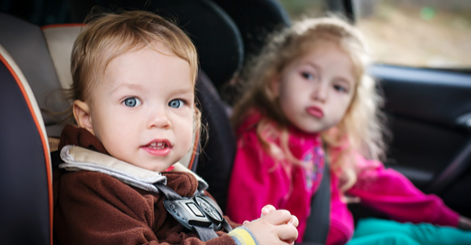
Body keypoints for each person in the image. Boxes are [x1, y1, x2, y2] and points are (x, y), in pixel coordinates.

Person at [53, 10, 299, 245]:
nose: (161, 119)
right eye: (131, 101)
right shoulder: (91, 189)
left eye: (175, 102)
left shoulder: (182, 181)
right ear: (87, 119)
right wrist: (242, 241)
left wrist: (257, 231)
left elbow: (211, 234)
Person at [225, 16, 471, 245]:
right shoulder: (265, 145)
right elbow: (253, 226)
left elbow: (384, 186)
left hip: (341, 232)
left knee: (418, 233)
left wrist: (449, 218)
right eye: (308, 75)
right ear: (276, 82)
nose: (320, 94)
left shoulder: (327, 140)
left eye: (339, 87)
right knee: (402, 241)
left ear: (351, 103)